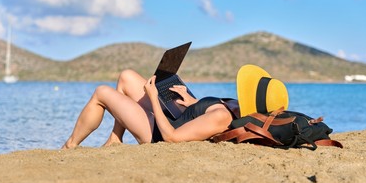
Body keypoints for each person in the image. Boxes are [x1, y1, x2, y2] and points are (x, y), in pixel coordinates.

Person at [62, 69, 239, 149]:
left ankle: (70, 145)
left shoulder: (222, 116)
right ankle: (115, 138)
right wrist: (193, 102)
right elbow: (202, 118)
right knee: (126, 76)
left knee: (101, 92)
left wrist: (154, 97)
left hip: (158, 133)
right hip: (175, 117)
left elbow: (171, 138)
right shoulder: (233, 106)